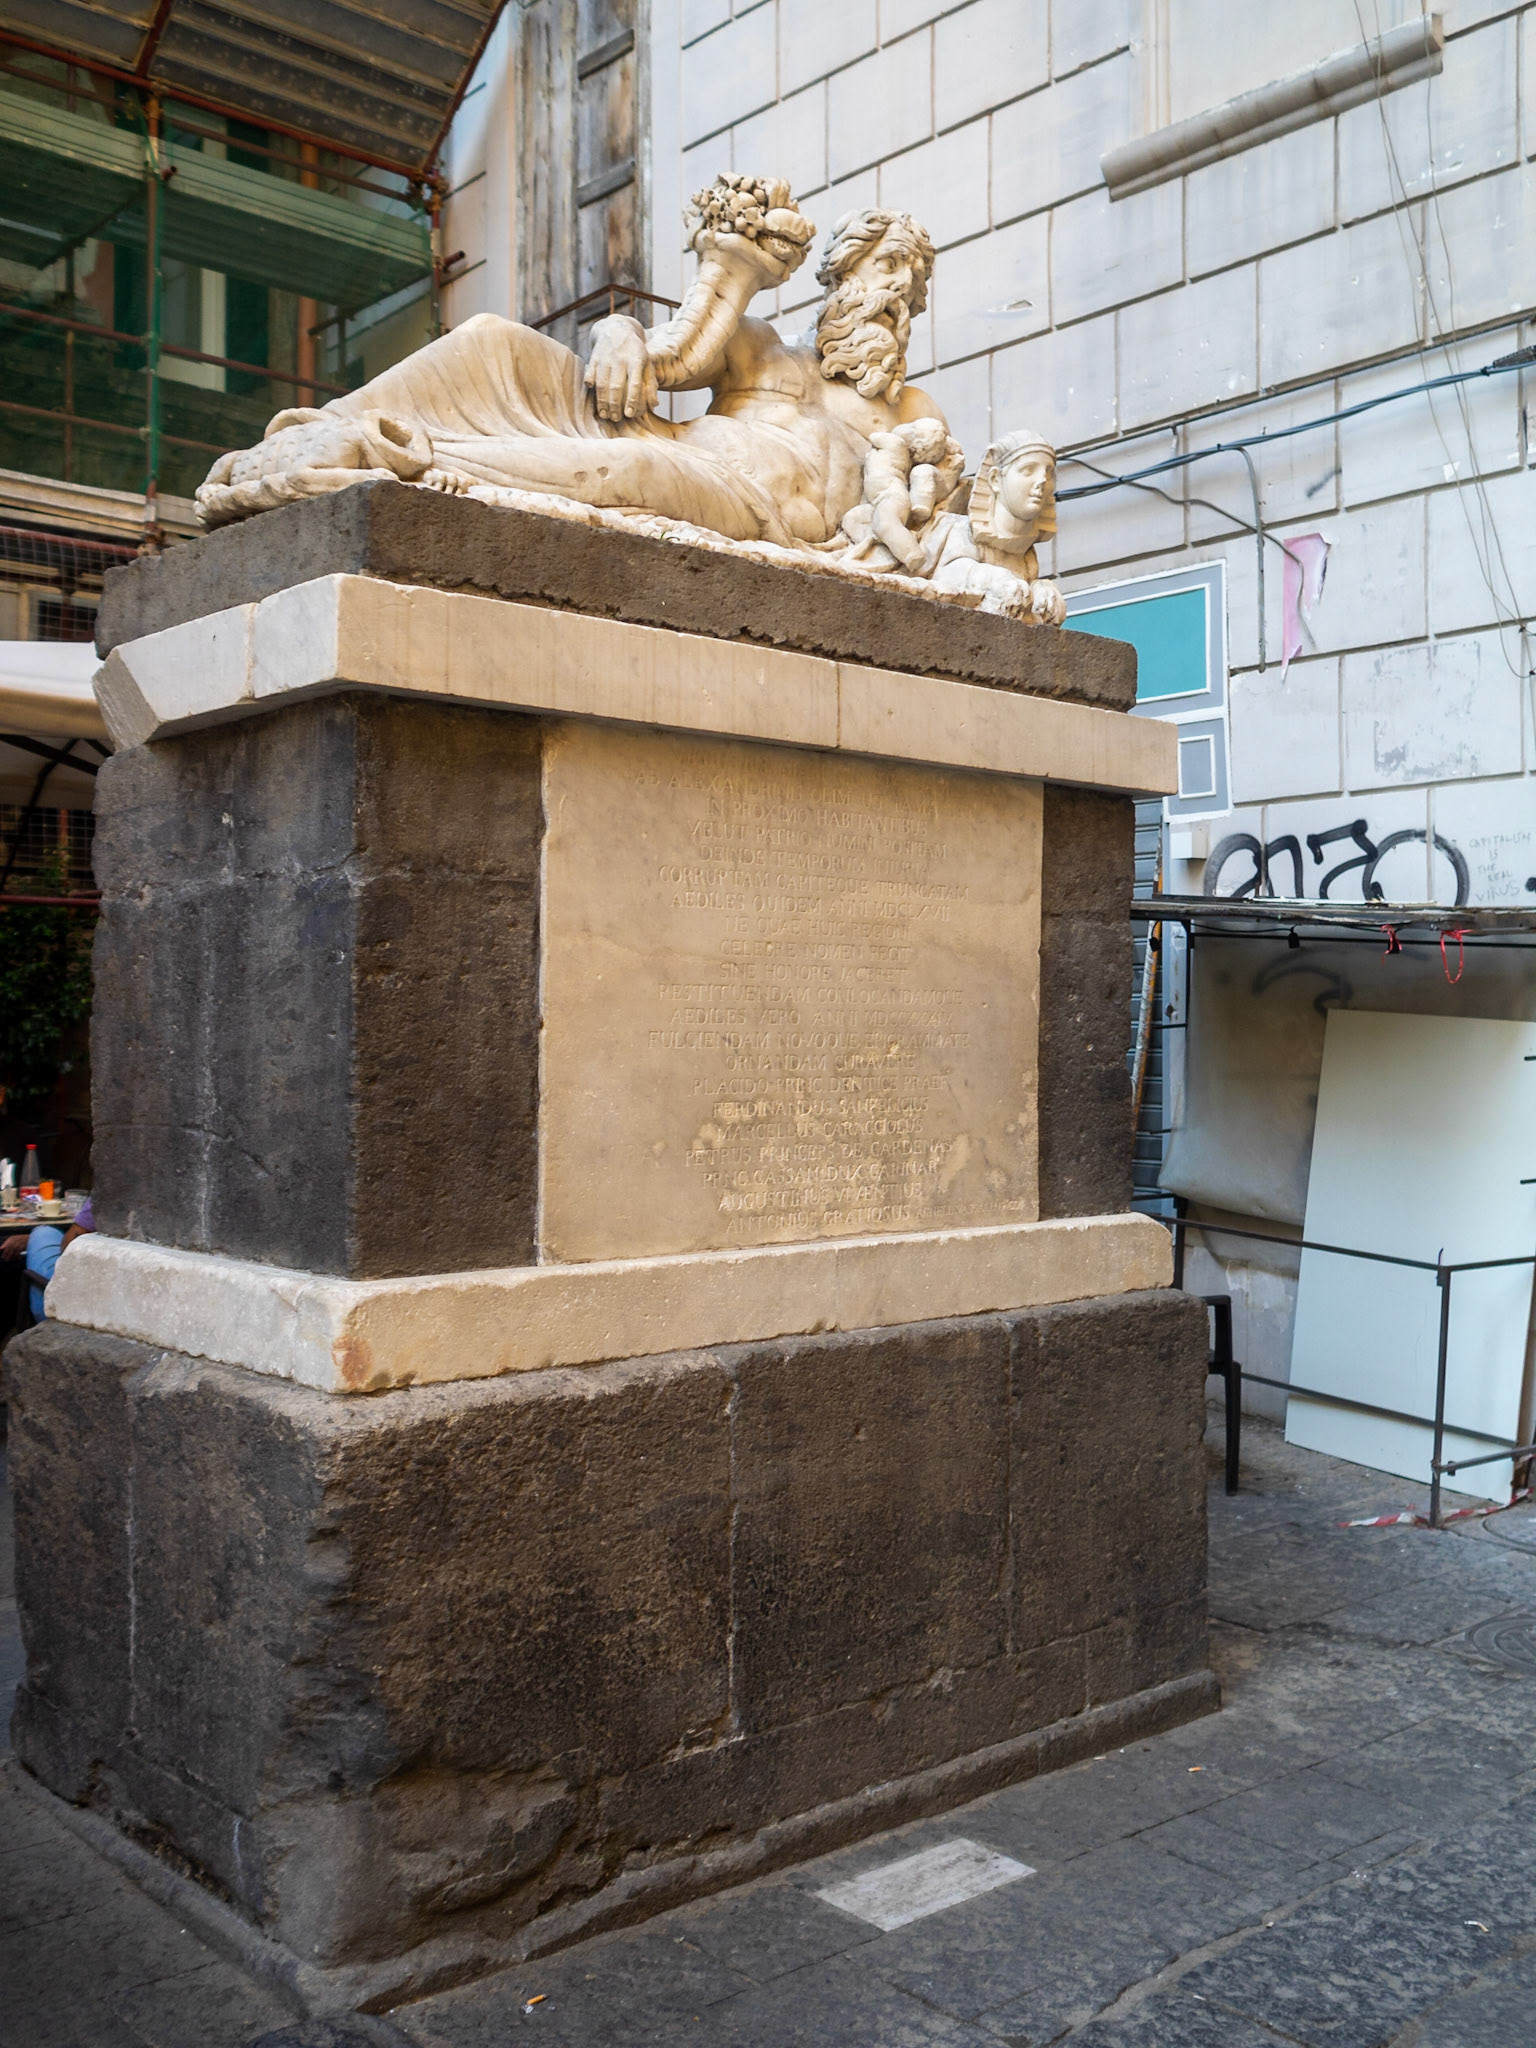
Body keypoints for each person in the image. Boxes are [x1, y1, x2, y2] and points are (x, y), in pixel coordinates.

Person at [195, 176, 950, 558]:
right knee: (497, 338)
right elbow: (669, 356)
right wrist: (616, 328)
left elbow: (927, 512)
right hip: (676, 444)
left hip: (752, 508)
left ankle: (385, 449)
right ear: (841, 277)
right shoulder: (762, 346)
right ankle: (319, 430)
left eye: (909, 289)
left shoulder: (913, 413)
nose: (894, 295)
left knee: (630, 473)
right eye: (882, 270)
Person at [1, 1196, 93, 1325]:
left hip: (62, 1299)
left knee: (42, 1232)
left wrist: (32, 1238)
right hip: (90, 1286)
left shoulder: (105, 1195)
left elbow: (68, 1246)